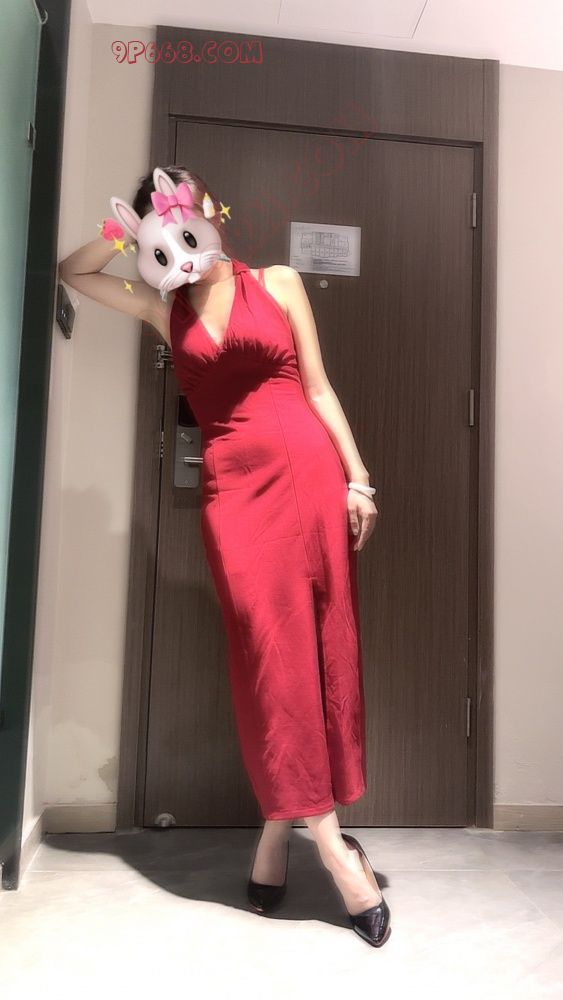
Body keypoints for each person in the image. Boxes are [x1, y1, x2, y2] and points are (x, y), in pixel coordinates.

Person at [58, 165, 391, 947]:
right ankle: (333, 851)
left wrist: (359, 479)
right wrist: (123, 234)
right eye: (165, 212)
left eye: (191, 201)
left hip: (308, 477)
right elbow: (73, 274)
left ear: (210, 207)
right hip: (235, 498)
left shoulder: (276, 282)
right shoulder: (161, 306)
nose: (187, 215)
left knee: (320, 649)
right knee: (269, 659)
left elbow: (317, 388)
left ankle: (280, 834)